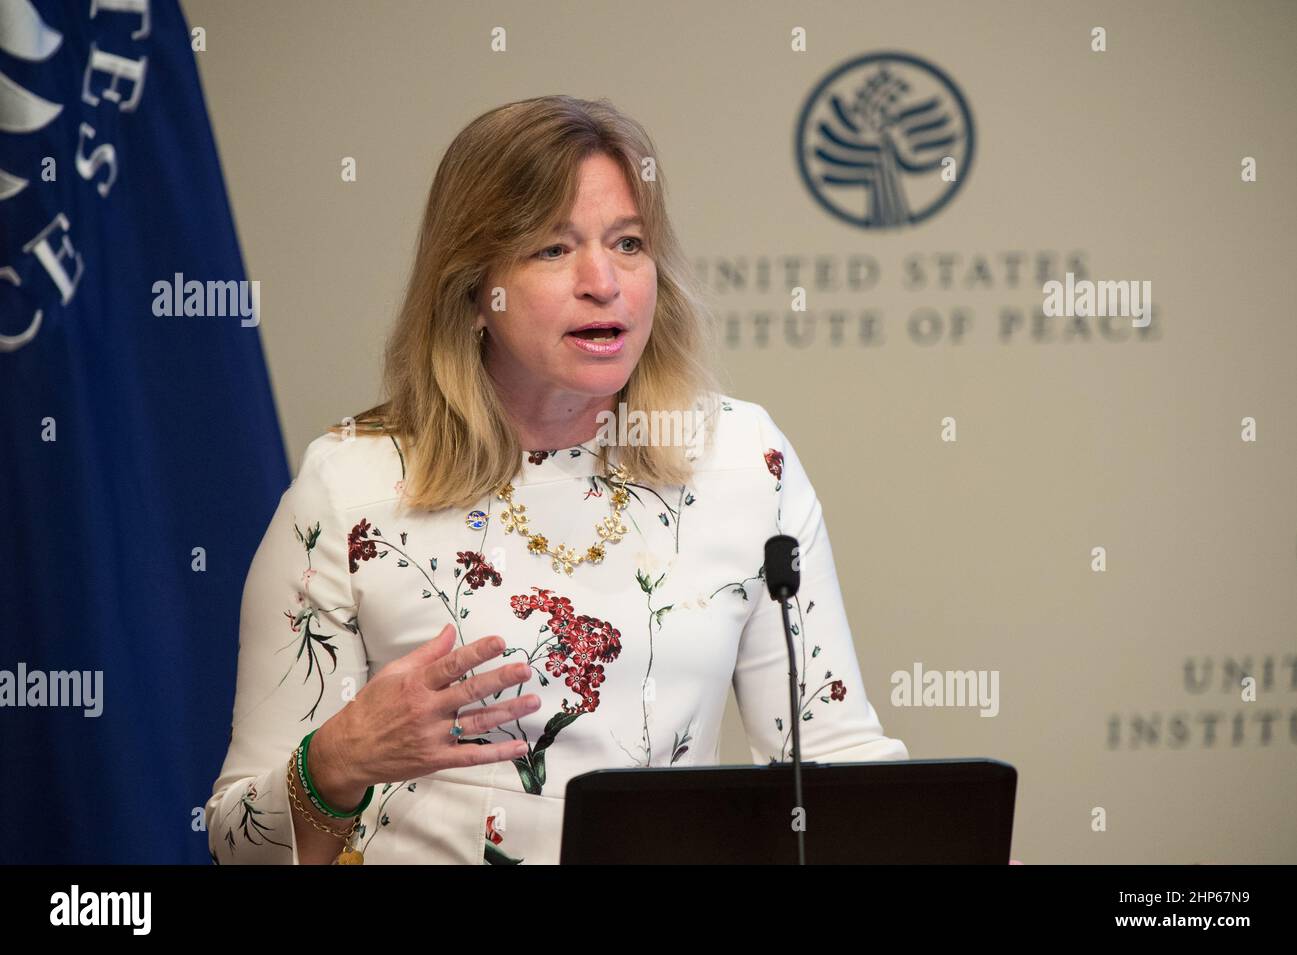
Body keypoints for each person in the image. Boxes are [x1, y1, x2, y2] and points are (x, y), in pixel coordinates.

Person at [205, 94, 907, 865]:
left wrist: (939, 851)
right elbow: (239, 845)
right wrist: (338, 758)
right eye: (552, 249)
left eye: (629, 243)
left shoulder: (743, 459)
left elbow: (832, 764)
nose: (603, 281)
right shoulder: (349, 488)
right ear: (473, 289)